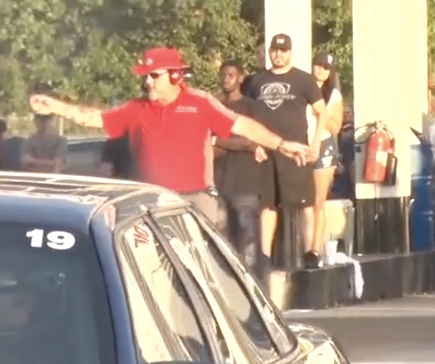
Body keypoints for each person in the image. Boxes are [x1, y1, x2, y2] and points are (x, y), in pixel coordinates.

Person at [28, 47, 311, 231]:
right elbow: (95, 118)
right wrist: (56, 106)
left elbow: (243, 125)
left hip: (195, 202)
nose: (147, 81)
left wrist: (282, 144)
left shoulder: (200, 103)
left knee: (202, 274)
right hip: (149, 205)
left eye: (154, 75)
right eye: (145, 76)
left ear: (175, 75)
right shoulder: (136, 109)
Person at [244, 33, 327, 268]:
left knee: (304, 203)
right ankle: (264, 255)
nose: (278, 54)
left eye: (283, 50)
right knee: (267, 204)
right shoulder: (257, 81)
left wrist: (316, 143)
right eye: (274, 50)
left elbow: (323, 112)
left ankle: (310, 251)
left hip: (297, 150)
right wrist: (255, 144)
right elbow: (248, 117)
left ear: (290, 52)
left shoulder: (304, 80)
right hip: (268, 151)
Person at [214, 61, 277, 280]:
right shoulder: (215, 108)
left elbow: (258, 138)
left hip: (246, 185)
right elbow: (210, 145)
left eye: (231, 74)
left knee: (249, 242)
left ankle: (255, 289)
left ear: (241, 78)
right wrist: (244, 144)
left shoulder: (253, 108)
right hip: (218, 184)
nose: (226, 79)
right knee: (222, 242)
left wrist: (225, 140)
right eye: (223, 75)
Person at [309, 51, 346, 262]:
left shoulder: (333, 95)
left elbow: (335, 127)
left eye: (326, 68)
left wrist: (320, 111)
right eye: (319, 65)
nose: (321, 70)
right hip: (302, 144)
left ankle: (316, 248)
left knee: (318, 201)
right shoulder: (303, 87)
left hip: (323, 145)